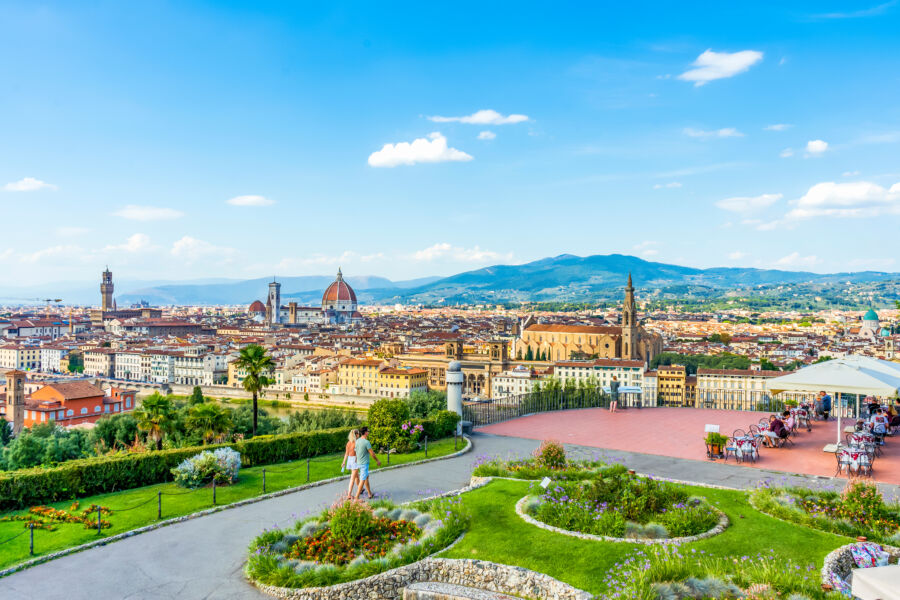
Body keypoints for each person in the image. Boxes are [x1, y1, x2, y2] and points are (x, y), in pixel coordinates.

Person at [353, 426, 382, 500]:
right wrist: (377, 461)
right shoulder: (366, 442)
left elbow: (356, 451)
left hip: (359, 463)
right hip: (364, 464)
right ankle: (356, 497)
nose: (368, 432)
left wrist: (356, 459)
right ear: (365, 432)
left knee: (366, 477)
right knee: (362, 480)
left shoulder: (358, 441)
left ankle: (369, 494)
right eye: (368, 431)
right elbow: (372, 454)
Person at [340, 429, 360, 498]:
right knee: (352, 478)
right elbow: (358, 453)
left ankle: (361, 488)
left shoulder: (348, 443)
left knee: (356, 476)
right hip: (355, 461)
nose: (359, 435)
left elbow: (346, 454)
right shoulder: (357, 443)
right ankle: (349, 494)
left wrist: (343, 462)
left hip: (350, 460)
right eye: (358, 434)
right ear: (356, 435)